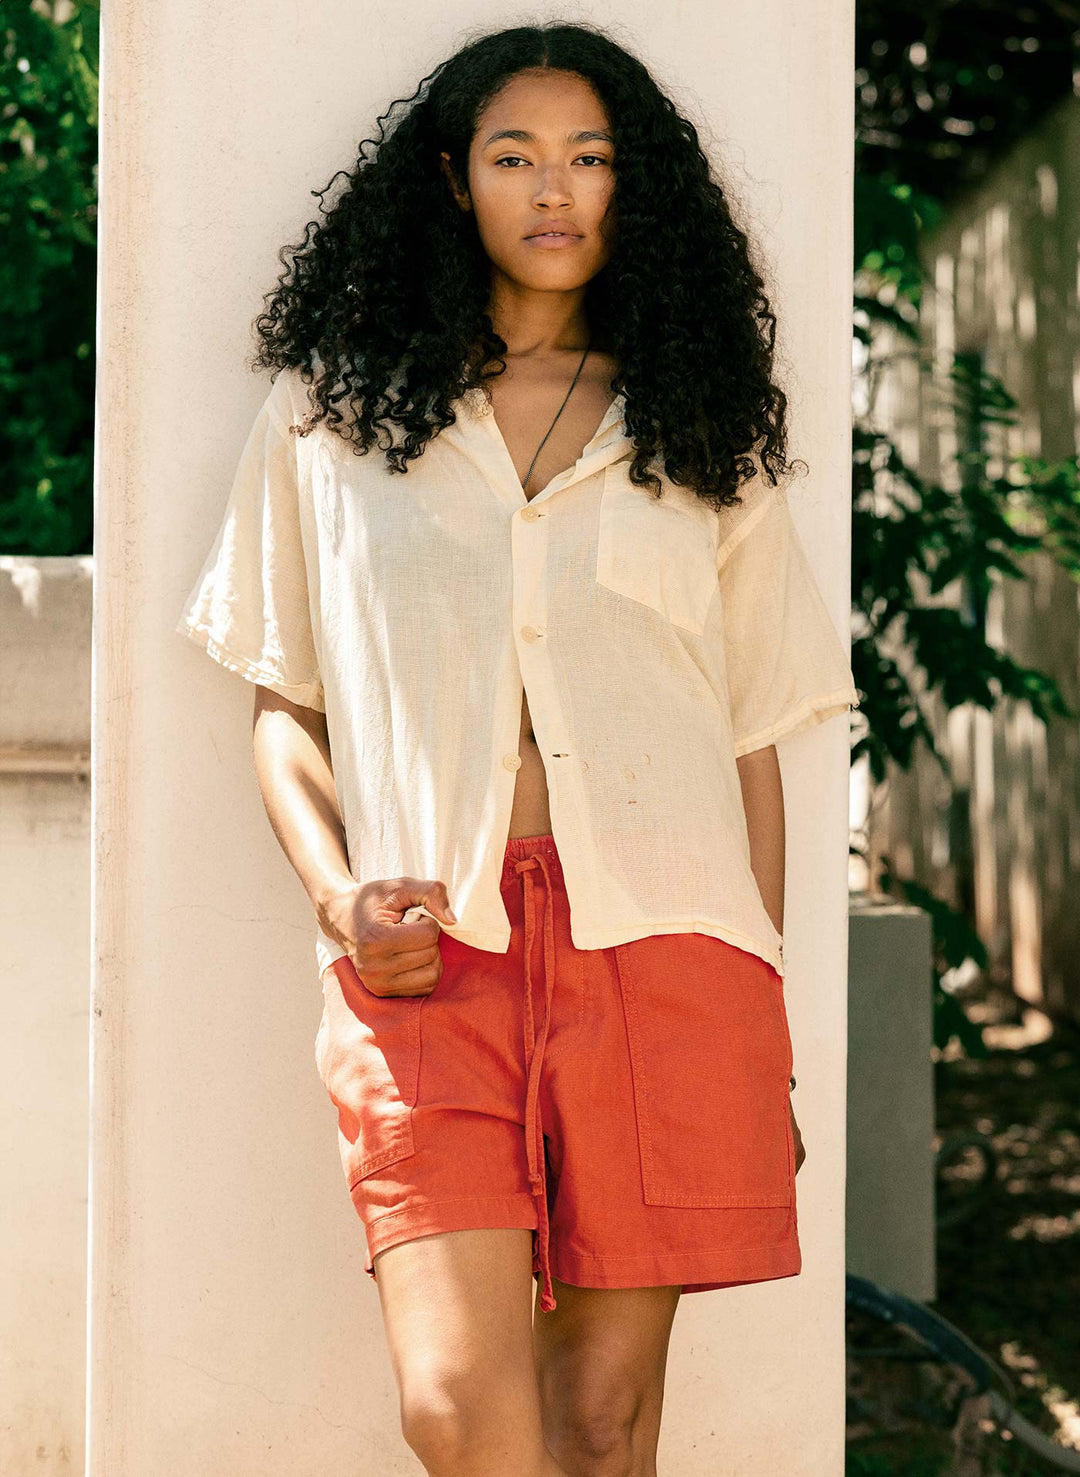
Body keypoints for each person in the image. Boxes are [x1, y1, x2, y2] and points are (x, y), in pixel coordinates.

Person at [176, 21, 859, 1477]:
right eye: (514, 155)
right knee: (455, 1405)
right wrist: (336, 896)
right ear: (454, 181)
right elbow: (282, 702)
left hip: (673, 953)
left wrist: (769, 1034)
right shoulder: (334, 419)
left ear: (635, 188)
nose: (556, 189)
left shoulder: (704, 433)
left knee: (600, 1423)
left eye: (591, 156)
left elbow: (751, 746)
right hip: (426, 947)